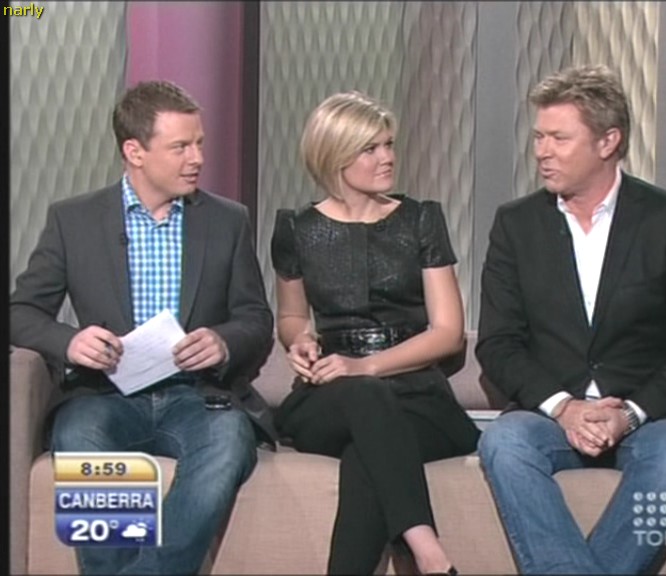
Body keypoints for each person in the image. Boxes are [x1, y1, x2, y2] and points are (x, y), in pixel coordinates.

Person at [10, 80, 275, 575]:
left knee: (228, 442)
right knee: (81, 437)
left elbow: (256, 319)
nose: (197, 158)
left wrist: (222, 342)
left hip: (197, 397)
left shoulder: (227, 220)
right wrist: (71, 341)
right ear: (135, 151)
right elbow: (21, 312)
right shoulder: (74, 220)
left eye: (199, 143)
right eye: (180, 147)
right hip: (104, 395)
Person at [475, 64, 666, 575]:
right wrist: (565, 407)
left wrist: (629, 413)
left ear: (608, 141)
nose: (542, 151)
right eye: (539, 137)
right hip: (554, 415)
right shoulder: (516, 224)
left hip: (653, 416)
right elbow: (499, 342)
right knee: (504, 441)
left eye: (559, 138)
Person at [270, 91, 480, 575]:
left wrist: (365, 366)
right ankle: (428, 550)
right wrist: (300, 340)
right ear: (335, 156)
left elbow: (448, 333)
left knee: (366, 458)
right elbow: (292, 317)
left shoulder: (420, 219)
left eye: (388, 144)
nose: (387, 157)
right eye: (370, 148)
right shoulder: (297, 229)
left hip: (417, 396)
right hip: (331, 398)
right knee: (365, 399)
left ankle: (422, 553)